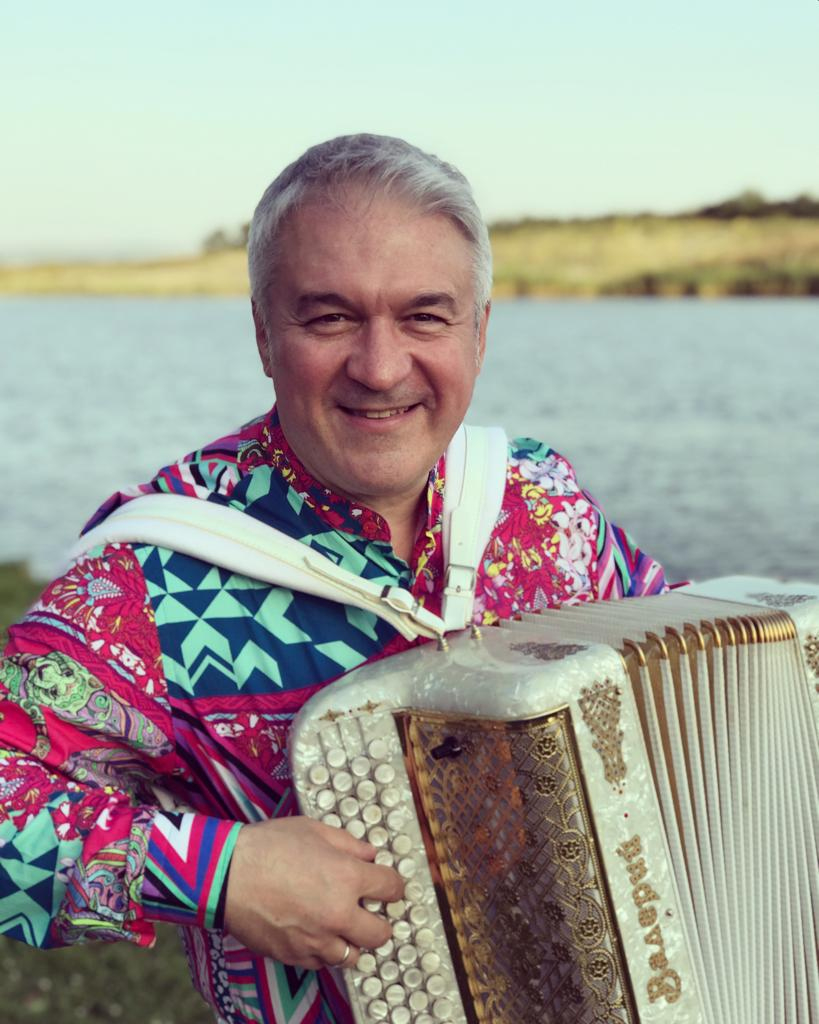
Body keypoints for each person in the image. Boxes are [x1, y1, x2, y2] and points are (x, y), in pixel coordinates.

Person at [0, 134, 668, 1023]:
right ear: (263, 333)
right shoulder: (152, 578)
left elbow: (676, 669)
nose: (380, 368)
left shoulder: (542, 501)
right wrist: (219, 874)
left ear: (479, 332)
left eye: (425, 317)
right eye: (329, 319)